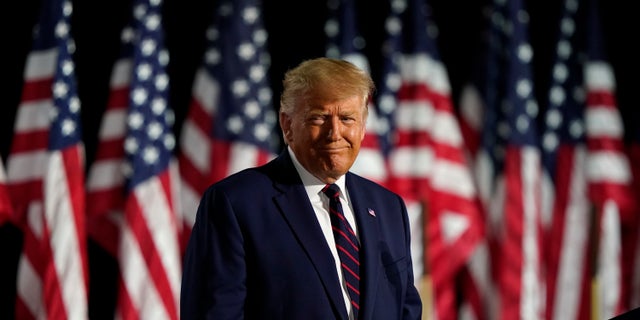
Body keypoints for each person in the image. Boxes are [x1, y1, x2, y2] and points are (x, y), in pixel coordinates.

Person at [180, 57, 423, 319]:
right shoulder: (235, 204)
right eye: (319, 117)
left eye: (347, 118)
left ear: (363, 128)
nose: (335, 133)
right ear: (287, 125)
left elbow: (406, 310)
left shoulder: (388, 207)